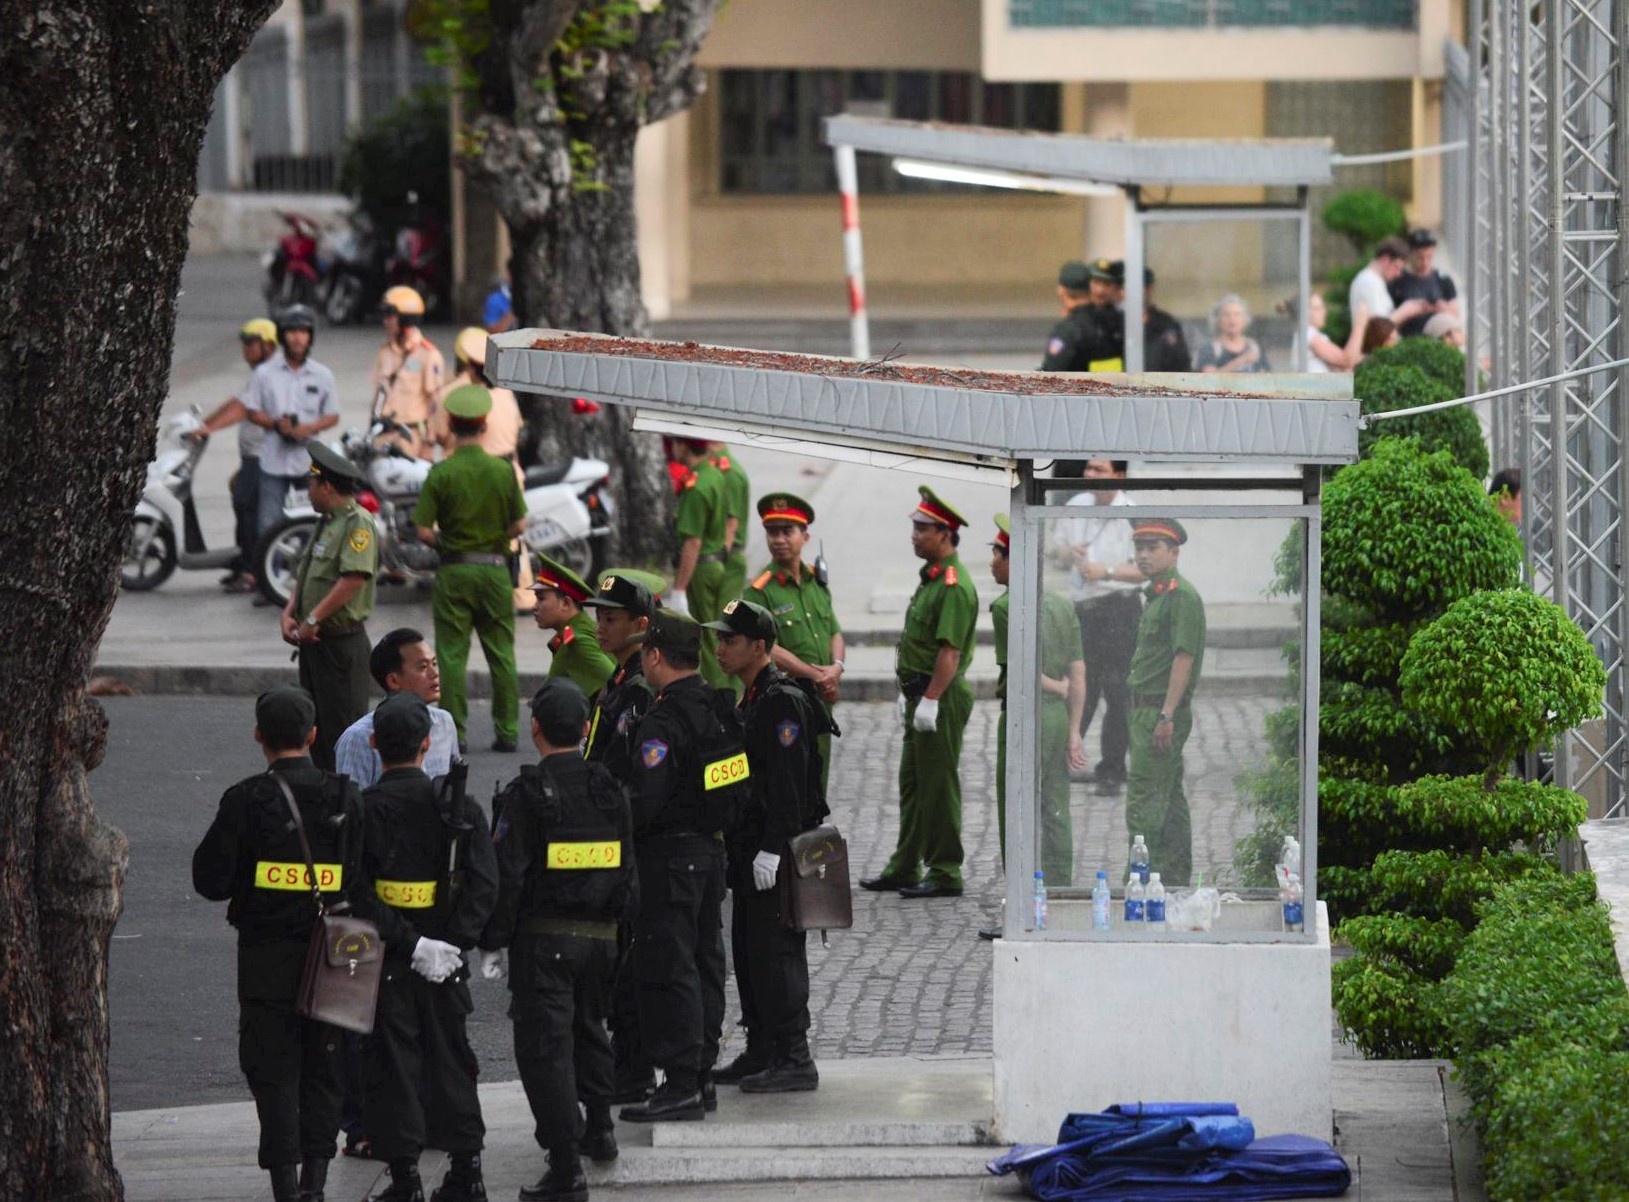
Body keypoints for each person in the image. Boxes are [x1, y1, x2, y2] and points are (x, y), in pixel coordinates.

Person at [190, 687, 364, 1202]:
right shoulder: (346, 797)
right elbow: (364, 877)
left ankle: (286, 1187)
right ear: (313, 736)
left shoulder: (247, 799)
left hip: (267, 957)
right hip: (339, 952)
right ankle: (316, 1183)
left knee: (273, 1072)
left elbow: (210, 880)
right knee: (326, 1069)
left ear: (259, 736)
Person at [478, 680, 637, 1202]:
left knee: (545, 1051)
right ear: (588, 729)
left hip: (544, 944)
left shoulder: (528, 795)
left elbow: (509, 875)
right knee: (591, 1031)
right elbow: (628, 871)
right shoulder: (609, 788)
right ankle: (599, 1127)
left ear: (536, 729)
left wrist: (492, 941)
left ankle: (566, 1166)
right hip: (602, 940)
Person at [356, 693, 497, 1202]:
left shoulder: (363, 810)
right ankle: (467, 1171)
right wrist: (452, 945)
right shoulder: (457, 808)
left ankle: (405, 1179)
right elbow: (484, 885)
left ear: (373, 744)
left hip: (389, 958)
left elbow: (357, 893)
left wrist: (413, 944)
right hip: (445, 963)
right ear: (427, 743)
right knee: (452, 1061)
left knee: (393, 1067)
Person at [704, 600, 828, 1092]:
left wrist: (774, 848)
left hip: (771, 852)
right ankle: (761, 1049)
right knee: (752, 954)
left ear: (759, 647)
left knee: (777, 954)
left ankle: (795, 1057)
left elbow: (788, 786)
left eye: (729, 641)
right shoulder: (753, 696)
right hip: (747, 849)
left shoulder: (780, 701)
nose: (720, 649)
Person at [619, 612, 732, 1122]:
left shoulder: (663, 721)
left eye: (646, 651)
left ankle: (682, 1082)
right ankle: (701, 1075)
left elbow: (645, 799)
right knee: (706, 964)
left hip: (669, 859)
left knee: (672, 968)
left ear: (656, 656)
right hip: (710, 853)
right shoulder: (718, 708)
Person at [861, 487, 979, 899]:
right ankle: (905, 865)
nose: (914, 535)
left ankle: (945, 870)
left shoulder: (952, 585)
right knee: (912, 784)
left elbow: (950, 651)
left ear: (945, 534)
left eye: (922, 529)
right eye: (914, 527)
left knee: (938, 785)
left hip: (939, 698)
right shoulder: (931, 578)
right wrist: (910, 694)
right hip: (921, 695)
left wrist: (930, 698)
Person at [580, 568, 666, 1105]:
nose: (598, 628)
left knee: (629, 962)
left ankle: (634, 1067)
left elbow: (631, 775)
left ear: (640, 625)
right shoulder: (616, 682)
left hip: (625, 842)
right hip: (606, 836)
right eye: (597, 617)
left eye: (610, 619)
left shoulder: (636, 691)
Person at [413, 384, 527, 754]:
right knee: (502, 654)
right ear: (484, 424)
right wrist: (495, 536)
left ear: (449, 422)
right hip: (494, 571)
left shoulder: (441, 472)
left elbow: (423, 531)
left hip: (455, 571)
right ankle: (508, 732)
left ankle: (456, 733)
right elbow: (519, 526)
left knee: (450, 655)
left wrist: (448, 543)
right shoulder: (502, 470)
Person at [988, 515, 1086, 910]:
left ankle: (1024, 902)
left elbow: (1022, 672)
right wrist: (1075, 729)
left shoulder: (1007, 607)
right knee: (1055, 808)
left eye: (998, 554)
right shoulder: (1062, 604)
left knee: (1016, 807)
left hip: (1024, 718)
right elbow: (1078, 670)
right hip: (1058, 718)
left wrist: (1054, 686)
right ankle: (1058, 893)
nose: (993, 562)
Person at [279, 441, 379, 771]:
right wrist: (291, 611)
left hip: (340, 645)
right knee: (317, 731)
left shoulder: (356, 523)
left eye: (311, 483)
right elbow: (309, 572)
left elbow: (353, 579)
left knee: (343, 731)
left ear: (327, 486)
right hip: (315, 644)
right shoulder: (327, 522)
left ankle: (347, 803)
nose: (307, 490)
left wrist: (312, 618)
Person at [1051, 460, 1141, 795]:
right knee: (1079, 684)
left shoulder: (1133, 512)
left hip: (1119, 609)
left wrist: (1106, 572)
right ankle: (1063, 757)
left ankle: (1112, 769)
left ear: (1119, 476)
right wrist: (1066, 552)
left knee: (1118, 691)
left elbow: (1145, 571)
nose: (1090, 475)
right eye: (1088, 468)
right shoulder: (1076, 506)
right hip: (1083, 610)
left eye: (1099, 470)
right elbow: (1055, 551)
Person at [741, 493, 845, 783]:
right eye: (772, 532)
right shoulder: (759, 591)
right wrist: (815, 674)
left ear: (805, 536)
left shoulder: (817, 582)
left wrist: (836, 668)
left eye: (787, 532)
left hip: (821, 695)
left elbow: (834, 630)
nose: (779, 539)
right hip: (785, 699)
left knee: (818, 774)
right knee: (790, 779)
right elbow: (766, 648)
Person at [1126, 518, 1205, 887]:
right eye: (1139, 547)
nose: (1143, 554)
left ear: (1174, 552)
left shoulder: (1180, 596)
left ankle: (1139, 883)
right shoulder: (1157, 592)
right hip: (1145, 709)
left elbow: (1183, 657)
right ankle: (1173, 879)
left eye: (1153, 547)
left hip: (1158, 710)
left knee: (1145, 800)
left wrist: (1166, 715)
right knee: (1170, 800)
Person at [433, 325, 534, 612]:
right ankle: (522, 595)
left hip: (471, 475)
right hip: (509, 472)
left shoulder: (452, 394)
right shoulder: (506, 392)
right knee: (514, 538)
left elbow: (440, 436)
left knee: (465, 534)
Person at [189, 318, 280, 593]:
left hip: (263, 456)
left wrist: (209, 429)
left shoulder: (272, 374)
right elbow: (237, 401)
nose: (245, 350)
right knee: (242, 504)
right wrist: (204, 423)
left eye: (250, 344)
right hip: (253, 455)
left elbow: (243, 409)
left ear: (267, 345)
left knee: (247, 507)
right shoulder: (261, 373)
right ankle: (244, 562)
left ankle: (253, 572)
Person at [245, 304, 339, 539]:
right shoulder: (264, 373)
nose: (298, 338)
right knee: (268, 527)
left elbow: (332, 415)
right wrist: (277, 425)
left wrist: (308, 428)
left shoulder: (323, 375)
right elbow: (252, 411)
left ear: (310, 337)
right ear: (282, 336)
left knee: (311, 525)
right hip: (272, 464)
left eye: (304, 332)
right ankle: (268, 572)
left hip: (307, 465)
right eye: (292, 332)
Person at [333, 628, 459, 790]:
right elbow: (353, 807)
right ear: (393, 681)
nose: (434, 673)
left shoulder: (444, 723)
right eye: (422, 667)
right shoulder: (357, 739)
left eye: (434, 663)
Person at [666, 437, 730, 686]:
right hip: (715, 564)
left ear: (684, 446)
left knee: (706, 641)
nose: (674, 448)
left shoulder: (697, 486)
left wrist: (679, 588)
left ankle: (715, 699)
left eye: (676, 443)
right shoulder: (715, 475)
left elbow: (692, 543)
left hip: (700, 570)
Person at [371, 286, 445, 459]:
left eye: (390, 315)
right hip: (383, 434)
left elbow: (434, 402)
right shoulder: (385, 351)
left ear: (406, 318)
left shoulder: (428, 354)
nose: (385, 321)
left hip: (411, 437)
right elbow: (380, 392)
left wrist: (430, 442)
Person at [533, 554, 617, 702]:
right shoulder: (572, 632)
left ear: (566, 604)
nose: (534, 607)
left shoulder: (579, 641)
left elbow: (616, 684)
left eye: (541, 598)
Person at [1039, 260, 1124, 373]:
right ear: (1089, 289)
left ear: (1061, 291)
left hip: (1080, 390)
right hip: (1112, 388)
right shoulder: (1113, 322)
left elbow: (1050, 375)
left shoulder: (1068, 329)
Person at [1349, 235, 1433, 331]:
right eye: (1397, 267)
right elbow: (1377, 329)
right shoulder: (1369, 283)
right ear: (1385, 260)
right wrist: (1404, 311)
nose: (1398, 274)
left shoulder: (1374, 281)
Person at [1389, 228, 1460, 338]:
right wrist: (1409, 312)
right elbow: (1387, 323)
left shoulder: (1443, 280)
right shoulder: (1397, 280)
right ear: (1410, 254)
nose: (1425, 262)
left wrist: (1442, 308)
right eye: (1420, 258)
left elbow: (1456, 317)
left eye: (1429, 257)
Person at [1285, 292, 1367, 373]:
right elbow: (1346, 360)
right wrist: (1359, 324)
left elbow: (1346, 363)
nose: (1324, 312)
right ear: (1304, 312)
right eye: (1318, 308)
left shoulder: (1309, 334)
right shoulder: (1307, 333)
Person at [711, 443, 751, 603]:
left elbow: (731, 522)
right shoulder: (719, 468)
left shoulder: (728, 472)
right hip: (724, 556)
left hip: (728, 557)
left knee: (723, 617)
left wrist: (719, 560)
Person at [1195, 295, 1270, 374]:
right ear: (1218, 320)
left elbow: (1267, 379)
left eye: (1237, 314)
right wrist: (1240, 361)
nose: (1232, 319)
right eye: (1226, 315)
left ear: (1245, 319)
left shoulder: (1255, 347)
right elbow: (1207, 380)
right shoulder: (1209, 349)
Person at [1140, 268, 1191, 373]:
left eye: (1145, 287)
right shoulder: (1117, 324)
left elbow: (1182, 365)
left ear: (1150, 289)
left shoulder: (1167, 324)